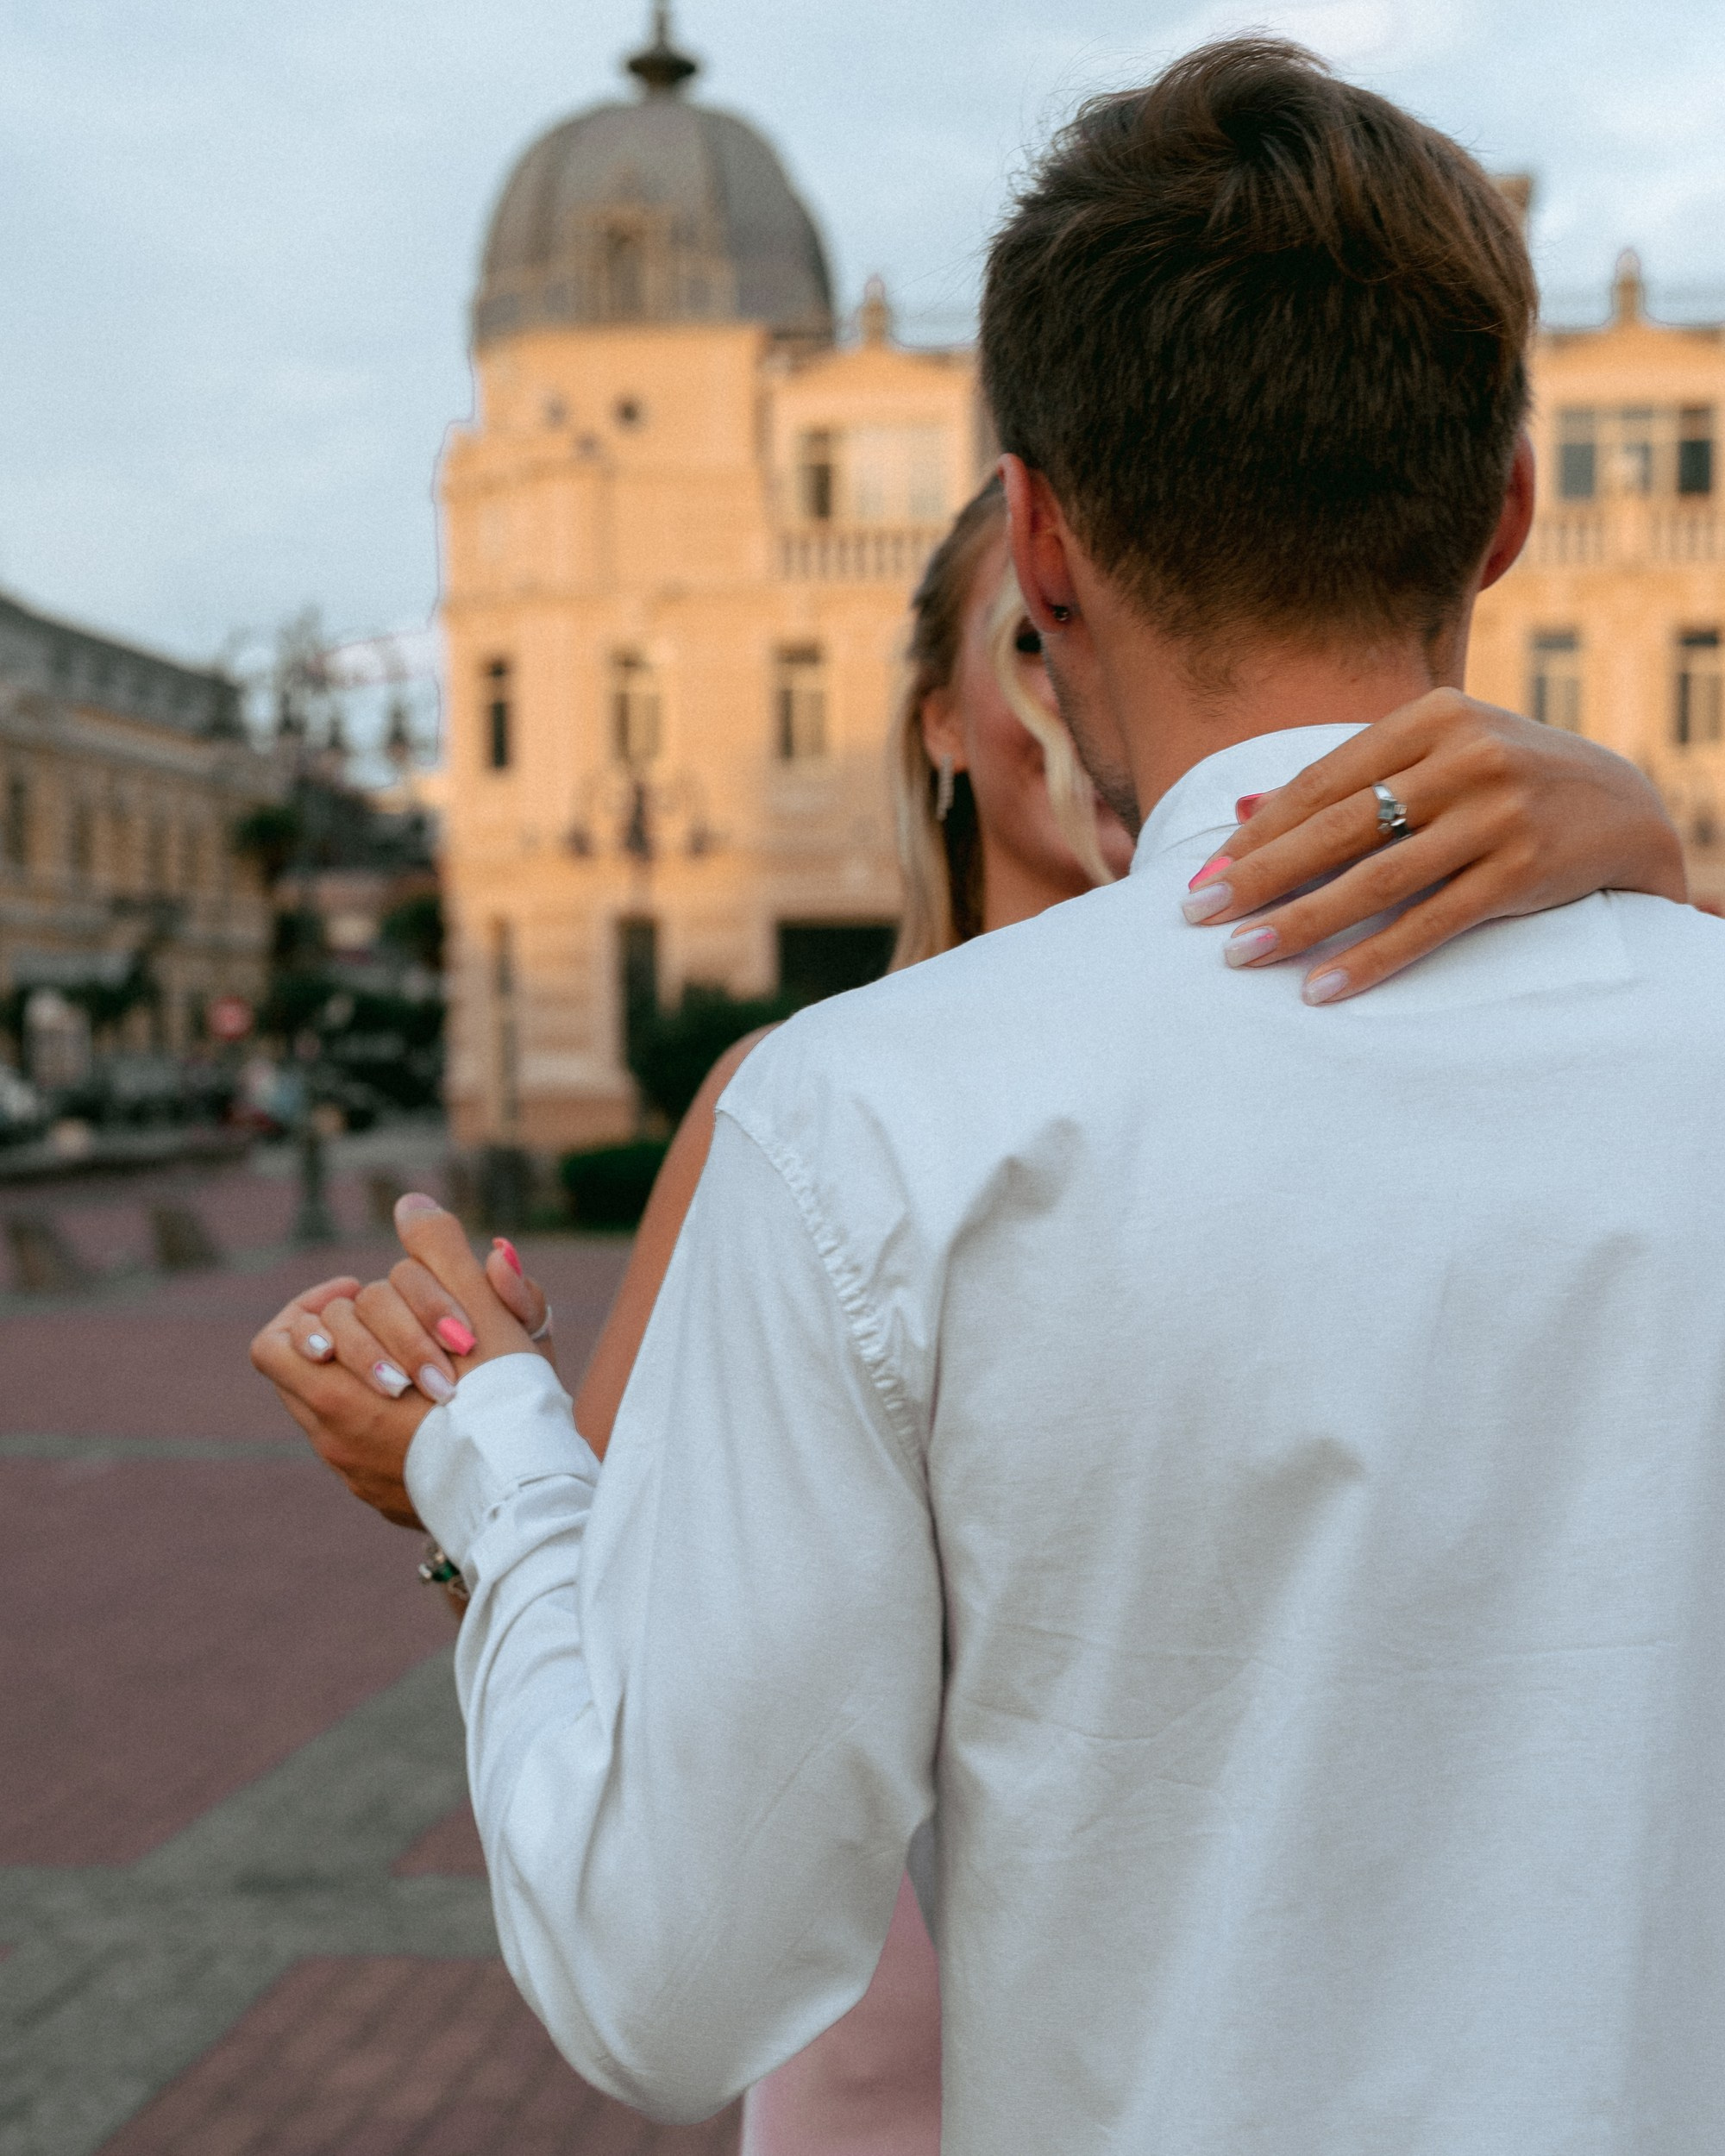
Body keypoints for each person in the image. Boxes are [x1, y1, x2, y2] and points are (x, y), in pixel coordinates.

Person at [254, 44, 1725, 2138]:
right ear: (1503, 512)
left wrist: (498, 1451)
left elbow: (670, 1974)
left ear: (1037, 543)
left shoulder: (867, 1126)